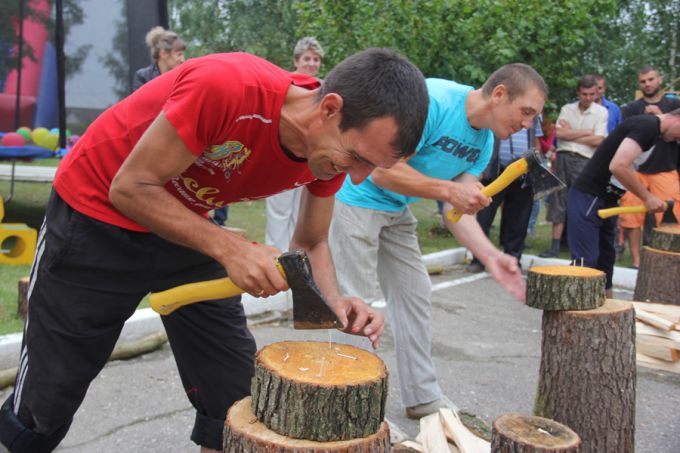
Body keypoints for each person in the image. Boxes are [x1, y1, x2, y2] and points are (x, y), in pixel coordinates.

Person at [0, 48, 430, 453]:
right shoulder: (229, 87)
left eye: (372, 166)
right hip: (95, 215)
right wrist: (232, 249)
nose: (357, 177)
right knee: (47, 398)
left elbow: (312, 241)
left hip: (183, 223)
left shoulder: (330, 150)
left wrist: (333, 301)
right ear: (330, 108)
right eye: (356, 157)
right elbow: (130, 187)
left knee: (237, 400)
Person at [329, 64, 547, 419]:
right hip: (355, 199)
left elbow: (455, 212)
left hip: (397, 210)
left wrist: (490, 256)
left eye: (533, 118)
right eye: (526, 112)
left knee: (415, 298)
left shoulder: (484, 141)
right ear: (499, 94)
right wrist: (449, 189)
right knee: (356, 305)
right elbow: (382, 170)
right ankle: (345, 406)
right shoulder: (433, 101)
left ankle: (423, 398)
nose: (527, 125)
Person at [567, 109, 680, 296]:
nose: (678, 141)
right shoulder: (647, 126)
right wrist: (647, 197)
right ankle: (571, 316)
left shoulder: (653, 133)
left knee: (605, 262)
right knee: (585, 261)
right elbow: (619, 165)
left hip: (609, 200)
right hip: (589, 196)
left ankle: (607, 314)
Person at [264, 37, 324, 250]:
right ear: (297, 60)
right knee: (279, 214)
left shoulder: (323, 89)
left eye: (316, 59)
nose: (311, 63)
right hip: (280, 157)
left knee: (302, 214)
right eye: (307, 58)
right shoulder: (285, 82)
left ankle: (296, 266)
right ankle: (275, 264)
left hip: (307, 163)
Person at [539, 75, 608, 258]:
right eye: (584, 93)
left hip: (585, 161)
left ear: (596, 93)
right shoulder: (567, 109)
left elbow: (598, 140)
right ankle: (554, 246)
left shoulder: (601, 112)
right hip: (562, 157)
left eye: (591, 94)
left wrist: (572, 133)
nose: (587, 97)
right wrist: (586, 132)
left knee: (580, 203)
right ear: (578, 92)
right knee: (558, 200)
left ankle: (577, 246)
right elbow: (559, 134)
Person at [619, 66, 680, 267]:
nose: (647, 84)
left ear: (659, 80)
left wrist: (660, 115)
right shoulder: (631, 109)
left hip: (666, 169)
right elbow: (626, 139)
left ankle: (667, 259)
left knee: (673, 216)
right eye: (643, 81)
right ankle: (637, 262)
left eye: (651, 79)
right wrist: (648, 120)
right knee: (630, 217)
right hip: (637, 172)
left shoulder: (674, 105)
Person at [467, 116, 543, 272]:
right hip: (495, 170)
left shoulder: (533, 116)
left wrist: (534, 162)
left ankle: (513, 259)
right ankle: (479, 259)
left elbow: (536, 141)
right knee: (484, 215)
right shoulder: (503, 110)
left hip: (522, 173)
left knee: (519, 219)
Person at [132, 26, 186, 91]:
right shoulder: (142, 77)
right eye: (179, 54)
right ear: (163, 53)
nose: (182, 60)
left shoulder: (183, 77)